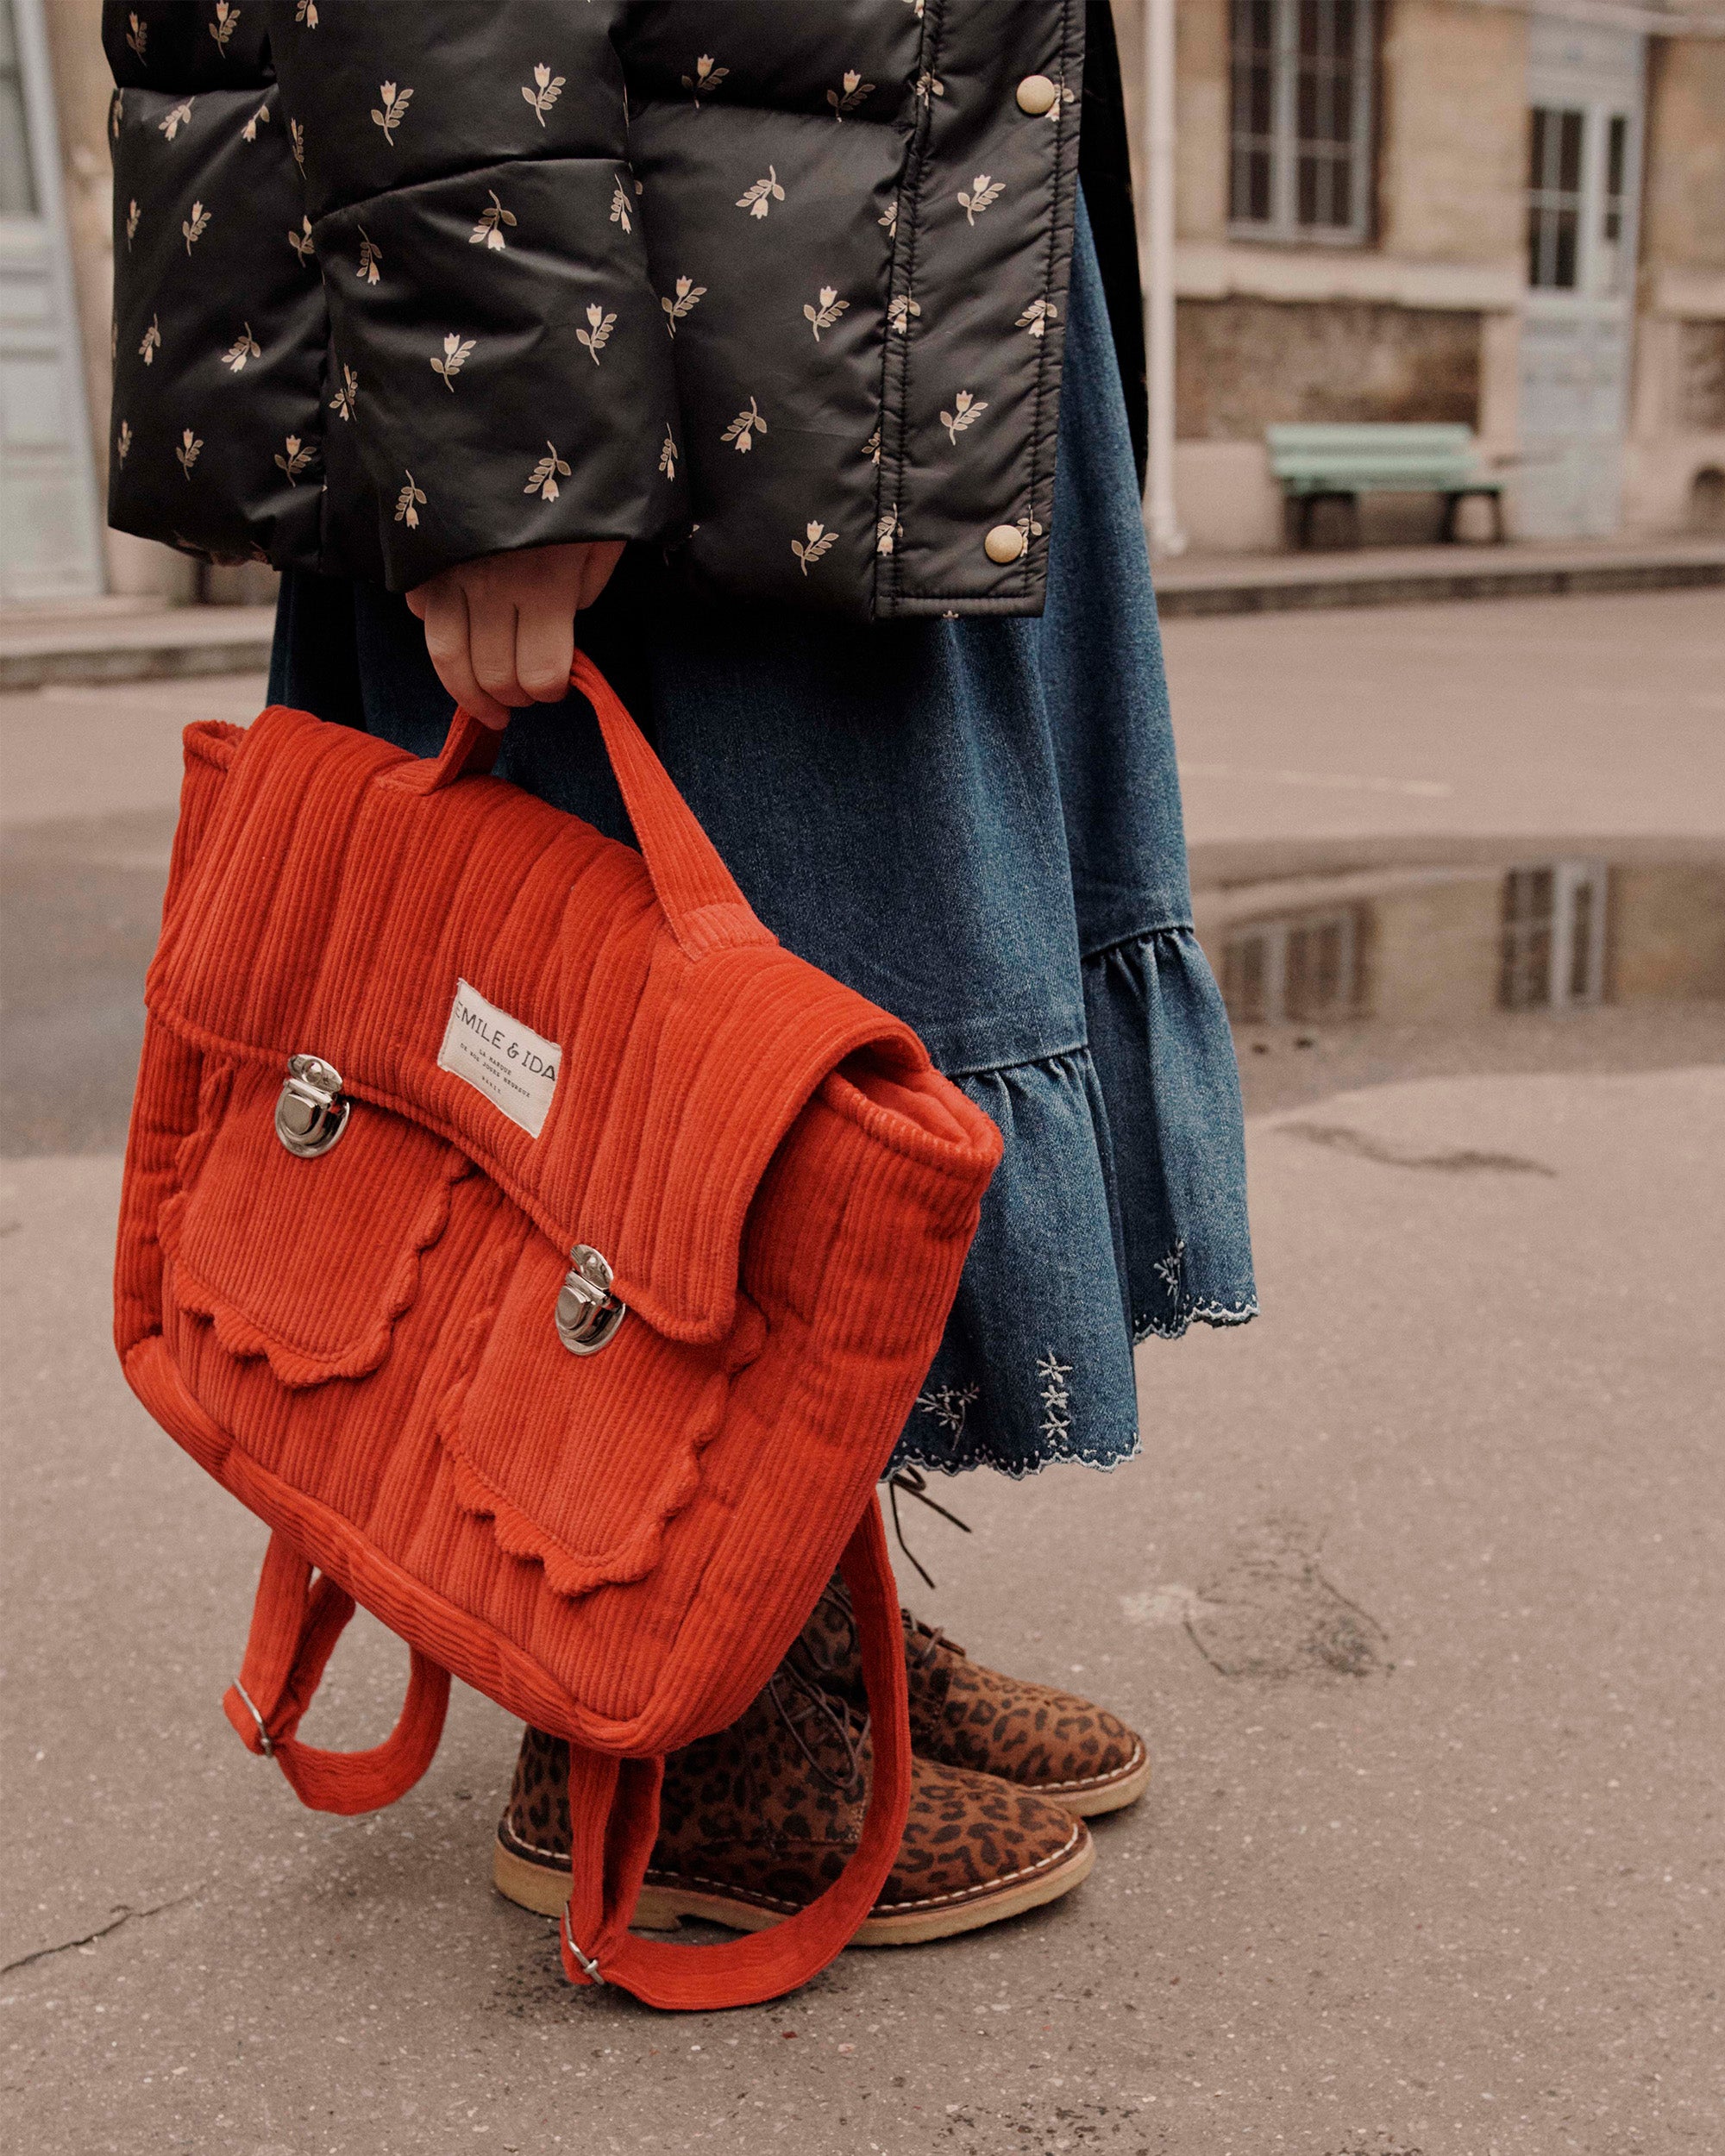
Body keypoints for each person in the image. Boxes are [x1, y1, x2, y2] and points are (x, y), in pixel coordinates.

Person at [104, 0, 1254, 1945]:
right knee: (684, 1041)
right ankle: (656, 1725)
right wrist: (495, 416)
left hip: (813, 232)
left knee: (812, 1011)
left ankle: (770, 1600)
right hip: (643, 285)